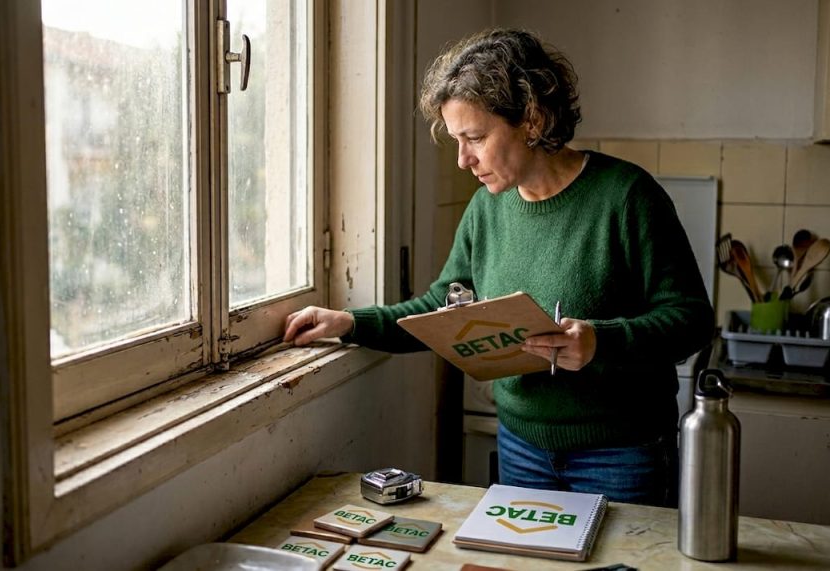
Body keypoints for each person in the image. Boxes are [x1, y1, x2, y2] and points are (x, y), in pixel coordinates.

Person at [283, 28, 714, 507]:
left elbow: (692, 320)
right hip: (521, 448)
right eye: (457, 141)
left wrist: (598, 341)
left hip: (622, 454)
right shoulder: (486, 210)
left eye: (476, 138)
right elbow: (440, 307)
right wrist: (350, 323)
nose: (465, 160)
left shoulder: (628, 197)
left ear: (531, 119)